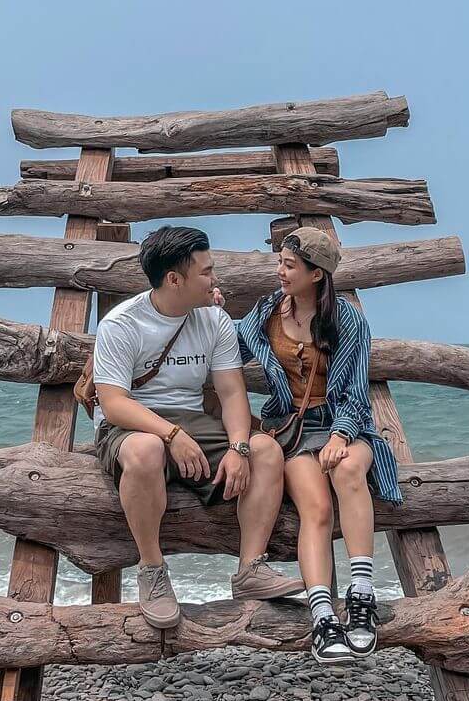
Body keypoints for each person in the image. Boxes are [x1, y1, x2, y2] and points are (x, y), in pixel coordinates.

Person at [92, 225, 304, 629]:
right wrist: (171, 435)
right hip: (132, 423)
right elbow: (114, 403)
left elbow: (231, 393)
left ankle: (250, 570)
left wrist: (240, 448)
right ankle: (152, 571)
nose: (214, 278)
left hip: (192, 422)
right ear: (175, 279)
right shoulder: (121, 324)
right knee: (145, 450)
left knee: (267, 451)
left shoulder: (214, 319)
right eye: (206, 272)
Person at [237, 227, 403, 664]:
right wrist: (213, 314)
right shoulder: (267, 310)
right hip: (290, 431)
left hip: (344, 424)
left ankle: (361, 597)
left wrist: (341, 434)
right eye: (281, 263)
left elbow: (355, 393)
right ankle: (324, 617)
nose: (280, 272)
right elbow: (231, 347)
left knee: (349, 470)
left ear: (316, 274)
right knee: (317, 509)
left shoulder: (348, 321)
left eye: (289, 266)